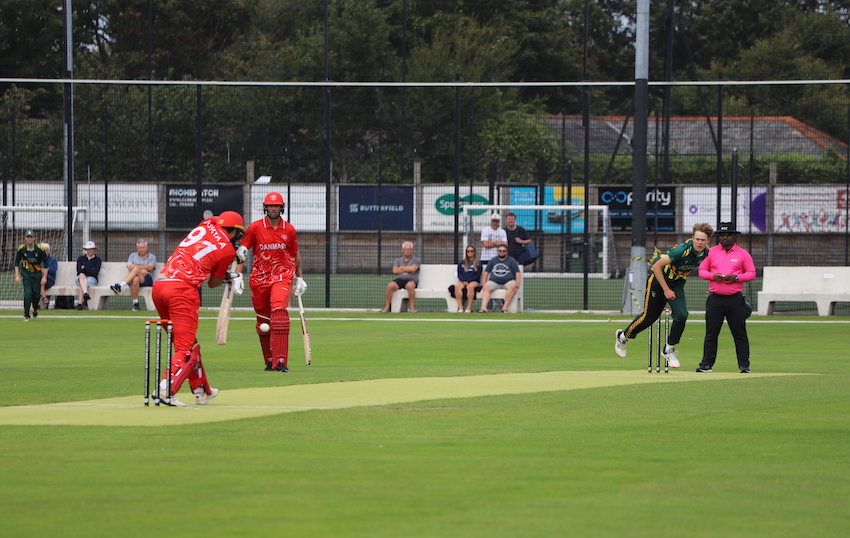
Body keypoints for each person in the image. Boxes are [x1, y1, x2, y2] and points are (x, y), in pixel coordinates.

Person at [151, 211, 246, 407]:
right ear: (235, 232)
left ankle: (202, 391)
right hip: (182, 291)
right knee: (185, 349)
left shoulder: (208, 222)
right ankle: (165, 389)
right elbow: (213, 283)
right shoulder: (227, 251)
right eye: (238, 234)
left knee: (190, 345)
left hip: (160, 285)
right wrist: (233, 266)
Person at [614, 222, 714, 368]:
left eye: (703, 240)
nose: (700, 242)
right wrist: (666, 290)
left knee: (681, 315)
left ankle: (669, 348)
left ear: (708, 241)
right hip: (657, 281)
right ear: (693, 238)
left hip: (677, 283)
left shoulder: (706, 252)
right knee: (649, 318)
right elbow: (656, 267)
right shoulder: (681, 251)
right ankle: (622, 337)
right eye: (697, 239)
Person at [237, 192, 306, 373]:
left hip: (282, 276)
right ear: (265, 207)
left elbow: (295, 255)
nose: (273, 209)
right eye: (270, 206)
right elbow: (242, 253)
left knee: (279, 312)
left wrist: (299, 277)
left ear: (281, 207)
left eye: (276, 206)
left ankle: (281, 361)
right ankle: (269, 360)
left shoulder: (289, 229)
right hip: (259, 279)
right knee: (263, 322)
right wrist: (237, 275)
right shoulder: (255, 228)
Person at [696, 222, 757, 373]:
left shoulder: (743, 254)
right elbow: (702, 271)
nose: (725, 238)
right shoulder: (711, 252)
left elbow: (752, 273)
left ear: (735, 236)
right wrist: (713, 276)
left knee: (739, 333)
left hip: (735, 299)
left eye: (728, 235)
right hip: (715, 298)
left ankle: (744, 365)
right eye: (722, 235)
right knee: (711, 332)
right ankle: (706, 364)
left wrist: (736, 278)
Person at [109, 239, 157, 311]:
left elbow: (151, 267)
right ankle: (136, 304)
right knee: (135, 279)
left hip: (147, 279)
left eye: (143, 247)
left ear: (147, 248)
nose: (142, 249)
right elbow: (129, 267)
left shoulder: (152, 257)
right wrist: (142, 270)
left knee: (136, 270)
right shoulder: (133, 256)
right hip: (135, 278)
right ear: (137, 249)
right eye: (140, 248)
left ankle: (121, 285)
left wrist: (137, 268)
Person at [13, 230, 48, 321]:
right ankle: (26, 314)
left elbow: (46, 263)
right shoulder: (21, 249)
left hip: (37, 274)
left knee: (36, 295)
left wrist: (44, 277)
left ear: (34, 238)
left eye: (31, 237)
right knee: (27, 294)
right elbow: (16, 262)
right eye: (28, 237)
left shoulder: (39, 249)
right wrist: (17, 275)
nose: (29, 239)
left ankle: (35, 308)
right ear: (25, 238)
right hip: (26, 273)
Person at [478, 246, 522, 313]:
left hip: (508, 281)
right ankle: (484, 308)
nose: (502, 252)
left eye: (503, 251)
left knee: (513, 286)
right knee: (486, 287)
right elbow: (486, 273)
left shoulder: (512, 260)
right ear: (497, 251)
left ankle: (504, 307)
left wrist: (517, 286)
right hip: (494, 282)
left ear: (506, 252)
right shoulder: (493, 260)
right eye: (500, 251)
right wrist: (484, 284)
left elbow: (517, 273)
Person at [382, 241, 420, 313]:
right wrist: (407, 269)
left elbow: (413, 269)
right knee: (390, 285)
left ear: (412, 250)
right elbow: (395, 271)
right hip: (399, 280)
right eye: (406, 249)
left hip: (411, 280)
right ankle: (387, 307)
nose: (408, 251)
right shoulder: (398, 260)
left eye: (409, 249)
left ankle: (412, 307)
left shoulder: (416, 260)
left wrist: (401, 268)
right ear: (403, 250)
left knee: (410, 285)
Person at [454, 245, 482, 313]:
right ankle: (460, 307)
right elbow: (459, 274)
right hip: (463, 280)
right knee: (457, 286)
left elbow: (478, 275)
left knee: (470, 287)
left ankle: (469, 307)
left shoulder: (478, 263)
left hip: (473, 281)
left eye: (471, 251)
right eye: (468, 251)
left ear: (474, 252)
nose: (470, 252)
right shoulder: (461, 263)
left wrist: (468, 281)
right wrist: (463, 280)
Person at [75, 241, 102, 310]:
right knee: (81, 276)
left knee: (83, 282)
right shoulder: (80, 259)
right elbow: (79, 270)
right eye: (88, 249)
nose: (90, 251)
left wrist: (85, 268)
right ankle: (85, 293)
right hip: (80, 278)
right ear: (86, 250)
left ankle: (80, 303)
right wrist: (90, 269)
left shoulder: (97, 260)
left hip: (92, 279)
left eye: (91, 249)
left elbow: (95, 272)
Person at [39, 242, 58, 309]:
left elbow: (52, 270)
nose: (45, 252)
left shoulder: (53, 260)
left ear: (49, 251)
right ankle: (44, 298)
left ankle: (43, 297)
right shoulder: (37, 260)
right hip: (39, 280)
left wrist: (44, 271)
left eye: (46, 250)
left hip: (49, 280)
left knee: (41, 278)